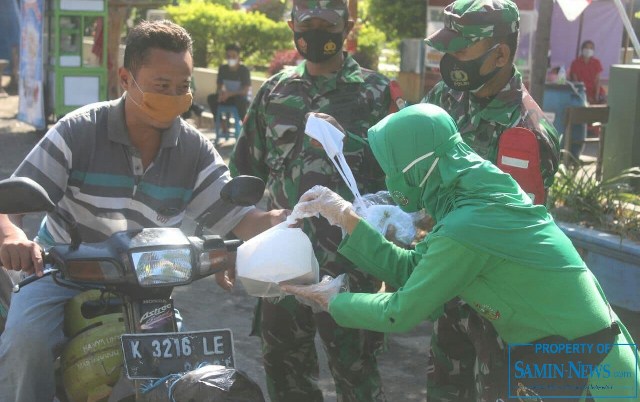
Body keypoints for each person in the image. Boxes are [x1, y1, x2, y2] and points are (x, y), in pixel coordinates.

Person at [0, 20, 287, 401]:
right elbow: (9, 206)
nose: (173, 96)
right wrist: (12, 236)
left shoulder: (194, 149)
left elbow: (239, 219)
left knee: (181, 374)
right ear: (125, 78)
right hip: (62, 275)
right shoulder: (78, 131)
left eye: (182, 87)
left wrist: (282, 222)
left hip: (148, 288)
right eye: (161, 86)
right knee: (27, 341)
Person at [281, 104, 640, 401]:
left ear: (418, 167)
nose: (389, 179)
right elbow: (417, 271)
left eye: (392, 167)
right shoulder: (477, 188)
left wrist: (332, 300)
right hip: (563, 359)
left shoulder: (471, 223)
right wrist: (345, 217)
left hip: (587, 370)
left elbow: (400, 312)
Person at [229, 1, 394, 400]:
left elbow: (397, 176)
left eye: (328, 24)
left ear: (347, 27)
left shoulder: (374, 92)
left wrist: (391, 253)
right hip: (282, 261)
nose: (318, 32)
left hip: (352, 263)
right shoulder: (275, 91)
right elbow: (244, 175)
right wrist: (237, 241)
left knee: (356, 372)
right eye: (309, 24)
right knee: (286, 372)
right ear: (292, 27)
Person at [421, 0, 561, 399]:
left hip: (500, 311)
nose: (449, 60)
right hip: (449, 294)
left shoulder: (528, 134)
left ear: (499, 53)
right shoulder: (447, 99)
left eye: (460, 50)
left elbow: (508, 235)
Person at [206, 43, 251, 123]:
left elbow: (245, 91)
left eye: (234, 56)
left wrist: (230, 94)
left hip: (240, 99)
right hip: (226, 98)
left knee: (241, 102)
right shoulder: (223, 69)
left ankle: (245, 126)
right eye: (228, 56)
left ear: (238, 57)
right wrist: (221, 93)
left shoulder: (244, 70)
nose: (231, 59)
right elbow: (219, 86)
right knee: (211, 98)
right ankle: (221, 123)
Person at [570, 40, 606, 105]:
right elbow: (576, 82)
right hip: (581, 91)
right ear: (582, 49)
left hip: (595, 91)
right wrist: (585, 96)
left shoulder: (596, 62)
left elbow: (597, 81)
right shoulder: (575, 63)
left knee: (604, 103)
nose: (588, 50)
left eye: (591, 48)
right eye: (586, 47)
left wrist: (596, 96)